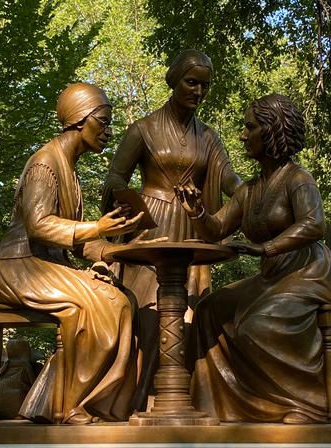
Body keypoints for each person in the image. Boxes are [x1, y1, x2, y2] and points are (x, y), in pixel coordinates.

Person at [178, 93, 331, 423]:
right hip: (274, 277)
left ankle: (311, 406)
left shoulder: (298, 179)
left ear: (271, 132)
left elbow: (314, 224)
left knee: (257, 326)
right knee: (209, 310)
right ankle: (220, 405)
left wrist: (266, 248)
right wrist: (196, 210)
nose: (242, 134)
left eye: (249, 127)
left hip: (310, 272)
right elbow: (215, 229)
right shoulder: (250, 190)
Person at [0, 83, 142, 424]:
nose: (108, 131)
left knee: (119, 297)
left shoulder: (68, 168)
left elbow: (80, 242)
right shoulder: (45, 163)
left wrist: (123, 249)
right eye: (103, 121)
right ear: (79, 120)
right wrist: (98, 227)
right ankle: (70, 405)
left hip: (39, 265)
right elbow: (39, 225)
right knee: (104, 303)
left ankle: (75, 402)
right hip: (18, 266)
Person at [102, 49, 242, 409]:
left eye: (205, 86)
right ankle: (142, 400)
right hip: (151, 228)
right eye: (191, 82)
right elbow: (116, 175)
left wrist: (255, 195)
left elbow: (229, 179)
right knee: (149, 316)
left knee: (192, 316)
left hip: (192, 228)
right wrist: (126, 205)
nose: (198, 91)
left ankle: (182, 399)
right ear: (174, 81)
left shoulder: (208, 138)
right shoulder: (143, 129)